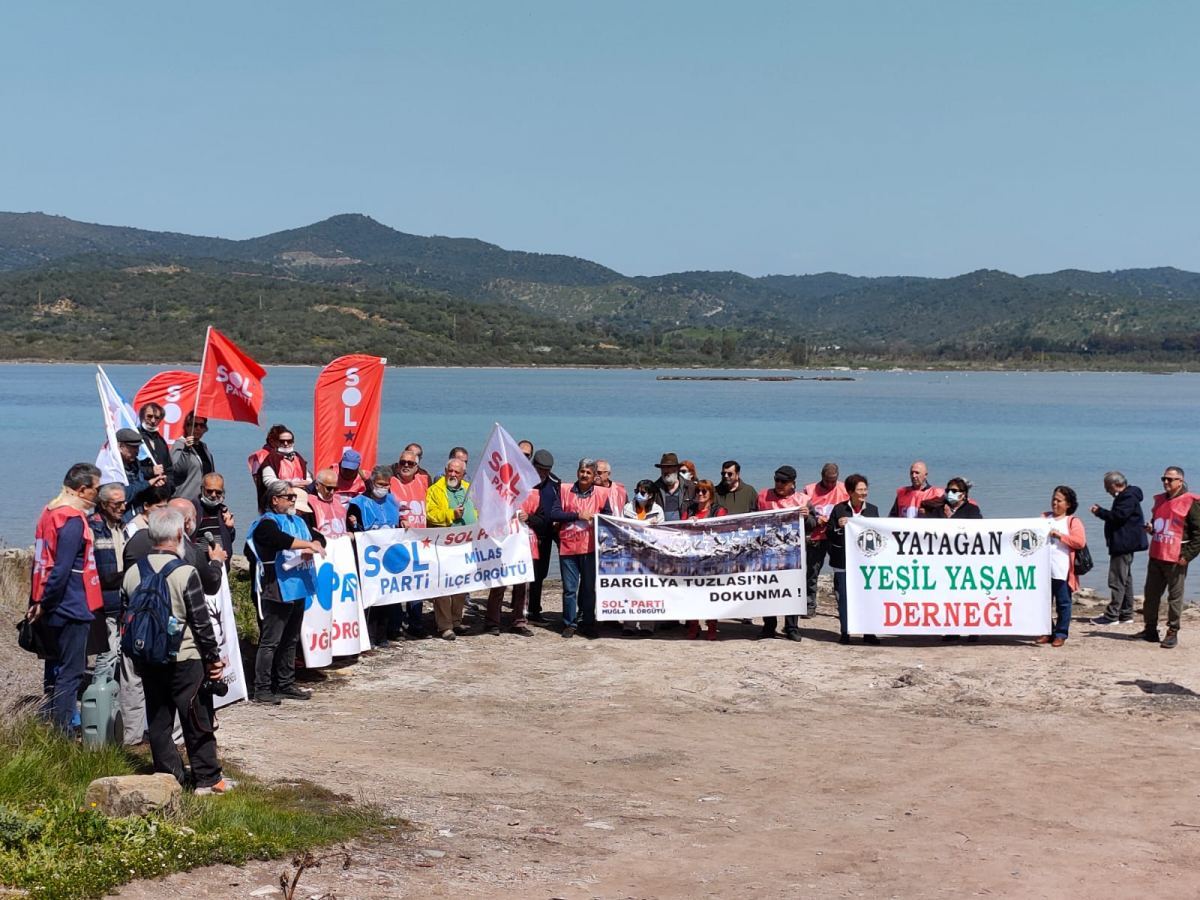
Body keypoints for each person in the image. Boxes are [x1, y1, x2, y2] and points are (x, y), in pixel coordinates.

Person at [122, 507, 230, 793]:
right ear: (180, 534)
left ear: (151, 535)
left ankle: (168, 777)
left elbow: (126, 617)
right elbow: (201, 622)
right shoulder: (185, 572)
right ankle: (208, 779)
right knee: (196, 717)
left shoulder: (132, 573)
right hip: (185, 657)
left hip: (148, 657)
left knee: (159, 720)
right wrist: (213, 659)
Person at [28, 464, 104, 732]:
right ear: (82, 489)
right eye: (96, 489)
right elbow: (61, 569)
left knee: (56, 669)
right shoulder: (72, 520)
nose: (98, 495)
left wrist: (39, 601)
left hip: (51, 603)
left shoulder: (50, 512)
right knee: (71, 674)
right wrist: (46, 603)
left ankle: (51, 722)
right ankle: (63, 736)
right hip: (70, 605)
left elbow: (42, 561)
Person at [246, 481, 327, 703]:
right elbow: (277, 539)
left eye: (294, 497)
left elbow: (318, 537)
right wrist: (306, 545)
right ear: (275, 500)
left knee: (291, 637)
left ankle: (286, 682)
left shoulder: (298, 521)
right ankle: (262, 687)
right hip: (276, 585)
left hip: (298, 584)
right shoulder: (266, 523)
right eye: (289, 497)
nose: (293, 501)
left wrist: (315, 543)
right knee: (271, 639)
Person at [1142, 466, 1200, 648]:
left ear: (1180, 481)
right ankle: (1150, 629)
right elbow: (1160, 524)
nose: (1166, 482)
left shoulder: (1190, 502)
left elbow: (1199, 534)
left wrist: (1187, 556)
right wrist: (1151, 529)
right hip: (1157, 553)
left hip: (1176, 557)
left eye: (1170, 479)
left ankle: (1172, 631)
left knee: (1175, 597)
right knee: (1151, 595)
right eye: (1164, 479)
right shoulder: (1160, 500)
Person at [348, 466, 406, 645]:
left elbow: (397, 523)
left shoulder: (392, 500)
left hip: (388, 557)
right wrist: (354, 525)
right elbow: (354, 530)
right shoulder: (358, 503)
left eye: (386, 485)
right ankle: (369, 636)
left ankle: (383, 635)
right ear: (372, 482)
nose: (383, 488)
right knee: (370, 598)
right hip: (369, 559)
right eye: (380, 484)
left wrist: (403, 522)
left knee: (386, 597)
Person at [756, 465, 815, 641]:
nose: (779, 484)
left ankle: (791, 627)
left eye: (783, 481)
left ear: (792, 483)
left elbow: (813, 525)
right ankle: (769, 625)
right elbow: (751, 519)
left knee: (793, 590)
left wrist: (807, 517)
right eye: (777, 480)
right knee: (768, 589)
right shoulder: (763, 496)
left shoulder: (803, 500)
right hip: (768, 553)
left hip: (793, 555)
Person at [558, 458, 611, 638]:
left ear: (594, 475)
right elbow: (554, 513)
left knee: (588, 587)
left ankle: (588, 622)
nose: (585, 475)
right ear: (577, 472)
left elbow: (608, 517)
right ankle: (569, 623)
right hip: (568, 547)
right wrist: (577, 515)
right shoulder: (564, 490)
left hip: (590, 547)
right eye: (582, 471)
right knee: (569, 589)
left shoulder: (602, 494)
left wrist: (596, 518)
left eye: (589, 472)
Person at [1089, 471, 1148, 626]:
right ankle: (1126, 613)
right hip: (1125, 543)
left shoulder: (1127, 497)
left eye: (1107, 487)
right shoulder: (1128, 496)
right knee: (1125, 579)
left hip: (1123, 544)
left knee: (1116, 579)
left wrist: (1099, 512)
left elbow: (1118, 516)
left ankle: (1112, 615)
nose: (1107, 491)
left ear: (1116, 484)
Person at [426, 458, 476, 639]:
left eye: (457, 472)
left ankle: (456, 620)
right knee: (443, 585)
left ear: (463, 474)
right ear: (445, 471)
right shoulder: (435, 490)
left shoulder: (469, 489)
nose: (453, 474)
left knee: (461, 584)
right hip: (443, 545)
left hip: (465, 544)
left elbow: (477, 511)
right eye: (450, 471)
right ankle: (445, 626)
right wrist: (451, 514)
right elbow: (430, 514)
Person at [828, 474, 881, 645]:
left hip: (866, 564)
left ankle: (869, 632)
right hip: (843, 563)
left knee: (868, 597)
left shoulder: (873, 510)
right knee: (844, 599)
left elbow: (880, 534)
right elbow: (829, 534)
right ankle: (846, 632)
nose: (864, 493)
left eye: (865, 489)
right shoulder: (839, 509)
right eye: (860, 490)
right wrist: (838, 526)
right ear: (850, 492)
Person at [526, 450, 573, 624]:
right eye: (540, 470)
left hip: (545, 535)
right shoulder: (523, 481)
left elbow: (559, 506)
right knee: (524, 574)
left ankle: (534, 611)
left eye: (546, 470)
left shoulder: (554, 484)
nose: (543, 473)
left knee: (540, 574)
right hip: (525, 534)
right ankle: (521, 611)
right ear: (533, 466)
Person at [483, 489, 538, 637]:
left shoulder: (534, 495)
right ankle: (492, 622)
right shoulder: (497, 495)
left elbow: (544, 519)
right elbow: (486, 517)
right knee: (498, 584)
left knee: (522, 586)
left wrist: (529, 517)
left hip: (523, 548)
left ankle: (519, 622)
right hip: (502, 546)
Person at [1039, 486, 1087, 647]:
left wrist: (1060, 536)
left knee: (1063, 603)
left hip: (1062, 569)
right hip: (1043, 569)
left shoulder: (1072, 521)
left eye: (1059, 500)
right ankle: (1047, 631)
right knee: (1043, 602)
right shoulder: (1044, 518)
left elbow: (1080, 542)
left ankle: (1061, 633)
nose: (1055, 503)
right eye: (1053, 499)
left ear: (1068, 504)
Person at [619, 479, 666, 636]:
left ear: (651, 495)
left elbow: (661, 534)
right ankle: (629, 625)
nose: (639, 494)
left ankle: (647, 625)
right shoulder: (627, 508)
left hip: (649, 555)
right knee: (630, 589)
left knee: (649, 590)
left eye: (643, 492)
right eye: (637, 491)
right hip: (631, 554)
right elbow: (621, 528)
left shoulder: (658, 510)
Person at [89, 483, 128, 667]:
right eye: (117, 504)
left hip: (120, 599)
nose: (123, 507)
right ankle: (100, 684)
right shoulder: (92, 528)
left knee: (114, 649)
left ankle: (108, 682)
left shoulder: (122, 527)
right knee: (107, 652)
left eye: (124, 502)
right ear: (103, 504)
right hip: (101, 600)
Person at [683, 479, 726, 640]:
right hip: (692, 558)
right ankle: (693, 625)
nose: (700, 494)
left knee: (710, 593)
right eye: (697, 491)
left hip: (711, 559)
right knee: (692, 593)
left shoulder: (719, 510)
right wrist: (688, 523)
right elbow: (680, 530)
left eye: (704, 491)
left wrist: (701, 525)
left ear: (711, 494)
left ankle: (712, 626)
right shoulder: (689, 510)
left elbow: (721, 530)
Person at [804, 463, 847, 617]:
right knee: (812, 571)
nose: (830, 484)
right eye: (827, 480)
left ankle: (843, 606)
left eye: (833, 481)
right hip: (816, 537)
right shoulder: (810, 490)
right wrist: (816, 519)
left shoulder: (844, 489)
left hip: (836, 536)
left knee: (841, 572)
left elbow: (851, 510)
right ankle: (809, 606)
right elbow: (804, 513)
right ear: (822, 476)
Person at [256, 426, 311, 513]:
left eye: (289, 441)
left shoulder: (298, 458)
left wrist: (306, 482)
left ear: (293, 442)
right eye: (282, 441)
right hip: (280, 504)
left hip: (300, 501)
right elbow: (269, 481)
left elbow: (308, 477)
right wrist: (291, 484)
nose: (286, 444)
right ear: (277, 442)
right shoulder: (271, 459)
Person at [117, 427, 165, 513]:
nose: (137, 451)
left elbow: (140, 483)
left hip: (137, 511)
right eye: (133, 447)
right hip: (121, 514)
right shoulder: (112, 469)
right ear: (120, 446)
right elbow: (122, 493)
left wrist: (154, 483)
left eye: (138, 447)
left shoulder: (135, 464)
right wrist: (148, 483)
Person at [169, 412, 215, 502]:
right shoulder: (180, 445)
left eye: (201, 425)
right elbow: (177, 470)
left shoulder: (204, 448)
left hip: (203, 501)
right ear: (187, 427)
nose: (198, 428)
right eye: (195, 425)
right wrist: (186, 450)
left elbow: (211, 474)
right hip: (184, 500)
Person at [192, 473, 236, 559]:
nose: (213, 495)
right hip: (199, 562)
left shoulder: (223, 510)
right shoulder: (193, 509)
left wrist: (230, 528)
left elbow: (230, 539)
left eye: (218, 492)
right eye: (209, 491)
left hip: (221, 562)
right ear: (202, 489)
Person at [389, 448, 430, 529]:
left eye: (410, 463)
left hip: (422, 533)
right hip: (401, 532)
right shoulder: (389, 483)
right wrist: (400, 520)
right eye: (402, 462)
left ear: (416, 467)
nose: (406, 465)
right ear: (398, 465)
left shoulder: (424, 481)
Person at [137, 402, 172, 494]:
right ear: (142, 416)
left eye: (156, 418)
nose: (153, 420)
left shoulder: (161, 441)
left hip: (161, 492)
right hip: (142, 491)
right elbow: (130, 468)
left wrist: (167, 482)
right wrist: (151, 471)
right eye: (149, 416)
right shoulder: (135, 438)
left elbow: (169, 468)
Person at [248, 425, 284, 509]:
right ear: (271, 440)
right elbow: (257, 480)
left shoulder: (284, 455)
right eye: (280, 441)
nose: (284, 444)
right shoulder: (260, 455)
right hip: (267, 498)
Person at [652, 452, 696, 521]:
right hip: (661, 527)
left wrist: (694, 516)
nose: (666, 470)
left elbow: (701, 507)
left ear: (676, 468)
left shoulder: (690, 487)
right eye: (663, 467)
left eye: (669, 467)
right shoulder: (654, 489)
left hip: (684, 527)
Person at [306, 468, 349, 538]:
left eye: (335, 489)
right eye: (329, 488)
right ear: (317, 485)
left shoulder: (338, 500)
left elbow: (347, 526)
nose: (332, 492)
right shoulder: (309, 503)